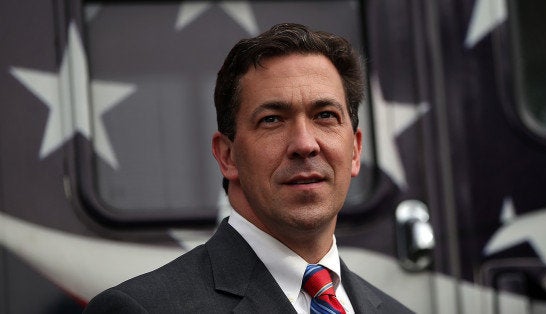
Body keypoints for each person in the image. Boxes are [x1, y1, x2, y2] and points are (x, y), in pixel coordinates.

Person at [84, 23, 413, 314]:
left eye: (325, 115)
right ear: (227, 156)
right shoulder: (139, 309)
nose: (305, 144)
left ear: (355, 150)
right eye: (272, 120)